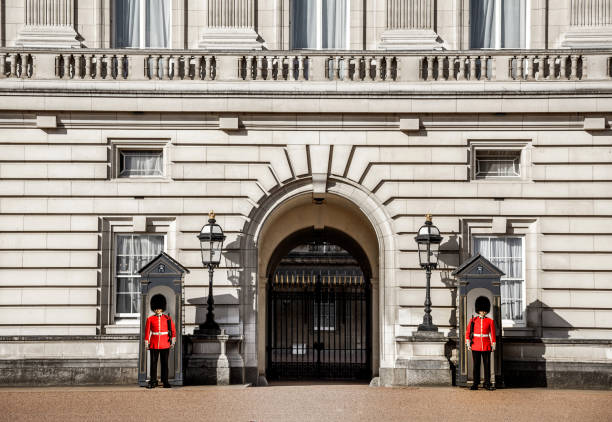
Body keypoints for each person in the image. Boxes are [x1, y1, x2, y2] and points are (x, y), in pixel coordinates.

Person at [145, 294, 176, 389]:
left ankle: (165, 381)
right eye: (156, 309)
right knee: (153, 364)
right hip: (154, 343)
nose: (158, 310)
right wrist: (147, 342)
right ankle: (153, 381)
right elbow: (147, 332)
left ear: (162, 308)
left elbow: (173, 331)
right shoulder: (150, 319)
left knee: (165, 364)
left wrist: (172, 341)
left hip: (165, 343)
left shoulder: (168, 319)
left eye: (159, 308)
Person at [466, 296, 496, 391]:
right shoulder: (473, 320)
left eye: (484, 311)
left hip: (486, 345)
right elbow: (467, 333)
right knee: (476, 366)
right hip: (475, 345)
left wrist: (493, 344)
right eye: (481, 311)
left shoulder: (490, 321)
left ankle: (487, 383)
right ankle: (475, 383)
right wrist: (468, 343)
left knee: (487, 366)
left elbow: (493, 334)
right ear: (478, 310)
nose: (483, 312)